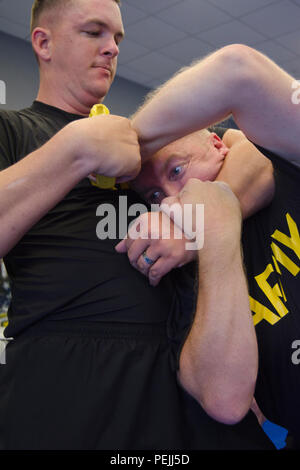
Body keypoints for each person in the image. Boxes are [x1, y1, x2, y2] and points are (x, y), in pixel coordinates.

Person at [0, 0, 275, 450]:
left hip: (174, 380)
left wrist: (189, 227)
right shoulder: (14, 130)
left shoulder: (144, 145)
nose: (111, 48)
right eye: (94, 33)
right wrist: (73, 152)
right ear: (43, 42)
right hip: (64, 383)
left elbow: (252, 154)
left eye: (117, 39)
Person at [129, 44, 300, 447]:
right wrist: (213, 232)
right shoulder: (184, 269)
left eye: (177, 170)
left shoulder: (286, 163)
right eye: (154, 196)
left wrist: (116, 144)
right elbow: (224, 399)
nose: (172, 196)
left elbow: (238, 68)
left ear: (219, 144)